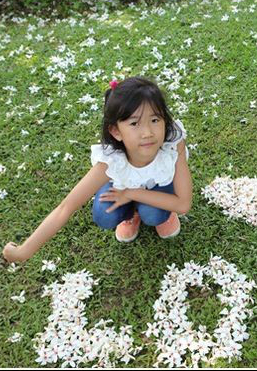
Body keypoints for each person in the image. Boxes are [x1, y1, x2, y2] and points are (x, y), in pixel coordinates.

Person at [3, 77, 192, 263]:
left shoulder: (172, 143)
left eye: (155, 120)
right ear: (116, 131)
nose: (148, 133)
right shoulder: (111, 162)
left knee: (153, 213)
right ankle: (131, 214)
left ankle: (162, 214)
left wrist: (131, 193)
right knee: (104, 214)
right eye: (134, 123)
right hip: (122, 187)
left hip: (155, 187)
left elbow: (183, 204)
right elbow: (65, 207)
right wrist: (23, 251)